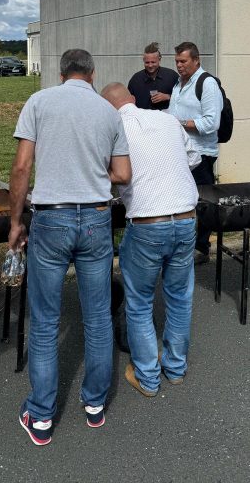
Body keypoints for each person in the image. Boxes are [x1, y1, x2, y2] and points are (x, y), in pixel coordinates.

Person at [8, 49, 131, 446]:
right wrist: (97, 171)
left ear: (61, 74)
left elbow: (22, 166)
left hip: (51, 218)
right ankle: (95, 404)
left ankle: (41, 416)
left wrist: (15, 221)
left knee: (45, 321)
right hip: (96, 218)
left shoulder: (39, 102)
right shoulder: (108, 112)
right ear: (92, 74)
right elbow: (123, 174)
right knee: (96, 318)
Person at [101, 83, 201, 396]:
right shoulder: (168, 119)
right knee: (180, 297)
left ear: (108, 108)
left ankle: (147, 376)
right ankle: (175, 368)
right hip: (186, 217)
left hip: (147, 224)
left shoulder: (113, 128)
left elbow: (109, 172)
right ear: (132, 100)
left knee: (140, 301)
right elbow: (194, 157)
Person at [168, 41, 223, 263]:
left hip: (201, 153)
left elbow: (211, 122)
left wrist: (177, 124)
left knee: (204, 203)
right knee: (183, 202)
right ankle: (184, 245)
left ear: (196, 60)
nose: (179, 66)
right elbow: (173, 112)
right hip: (181, 152)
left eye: (183, 61)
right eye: (177, 62)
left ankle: (202, 248)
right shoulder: (178, 84)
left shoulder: (207, 83)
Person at [127, 42, 178, 110]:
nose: (150, 65)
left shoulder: (172, 76)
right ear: (143, 60)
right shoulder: (135, 79)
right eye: (147, 62)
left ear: (159, 59)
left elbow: (183, 99)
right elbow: (128, 102)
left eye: (153, 62)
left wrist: (168, 97)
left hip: (165, 119)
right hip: (143, 119)